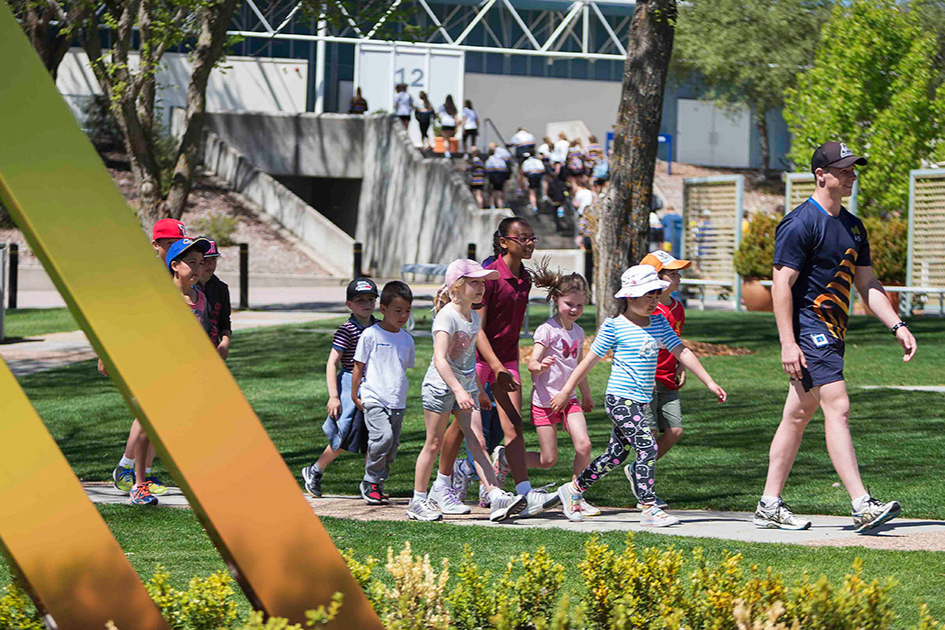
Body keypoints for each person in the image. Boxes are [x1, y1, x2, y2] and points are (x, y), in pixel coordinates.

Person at [754, 141, 915, 533]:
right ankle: (862, 504)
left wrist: (897, 324)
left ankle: (769, 504)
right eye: (843, 170)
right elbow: (781, 286)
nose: (851, 175)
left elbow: (867, 283)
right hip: (810, 330)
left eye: (853, 169)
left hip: (833, 332)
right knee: (837, 406)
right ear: (820, 175)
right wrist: (788, 342)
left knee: (796, 415)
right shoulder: (799, 223)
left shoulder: (853, 226)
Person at [554, 265, 727, 524]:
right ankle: (648, 507)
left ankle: (574, 490)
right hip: (620, 399)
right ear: (629, 297)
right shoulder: (614, 326)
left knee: (616, 455)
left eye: (656, 296)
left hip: (641, 401)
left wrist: (710, 383)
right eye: (648, 296)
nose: (653, 302)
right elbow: (588, 362)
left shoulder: (658, 322)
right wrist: (567, 391)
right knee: (647, 447)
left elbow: (683, 352)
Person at [441, 217, 559, 517]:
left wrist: (506, 365)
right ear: (504, 242)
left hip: (506, 361)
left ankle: (523, 492)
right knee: (463, 427)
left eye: (532, 237)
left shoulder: (525, 279)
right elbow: (477, 327)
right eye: (522, 238)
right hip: (477, 361)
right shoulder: (490, 277)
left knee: (514, 428)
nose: (529, 243)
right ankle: (444, 483)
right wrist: (495, 366)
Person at [407, 259, 528, 523]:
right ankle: (417, 500)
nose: (481, 287)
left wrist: (477, 391)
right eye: (474, 282)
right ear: (457, 287)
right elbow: (440, 359)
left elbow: (466, 360)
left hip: (465, 387)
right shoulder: (446, 316)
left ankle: (496, 496)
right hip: (440, 388)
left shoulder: (473, 316)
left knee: (475, 441)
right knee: (434, 443)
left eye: (483, 282)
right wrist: (459, 392)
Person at [129, 237, 213, 506]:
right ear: (174, 265)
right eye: (191, 263)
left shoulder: (201, 299)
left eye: (201, 263)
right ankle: (138, 485)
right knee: (146, 428)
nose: (198, 268)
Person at [111, 218, 188, 497]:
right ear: (155, 244)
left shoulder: (178, 273)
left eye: (179, 244)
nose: (175, 248)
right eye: (169, 244)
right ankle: (128, 468)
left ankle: (134, 468)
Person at [526, 263, 598, 518]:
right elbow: (531, 364)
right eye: (570, 304)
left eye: (580, 305)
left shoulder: (578, 332)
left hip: (570, 400)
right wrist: (540, 365)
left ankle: (576, 494)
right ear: (556, 299)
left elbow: (579, 367)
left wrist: (586, 394)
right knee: (548, 460)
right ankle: (504, 460)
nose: (575, 310)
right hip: (545, 402)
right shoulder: (547, 330)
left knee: (584, 445)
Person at [622, 250, 691, 508]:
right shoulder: (646, 311)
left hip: (668, 380)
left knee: (674, 431)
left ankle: (635, 469)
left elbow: (676, 343)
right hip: (644, 383)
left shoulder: (677, 307)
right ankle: (645, 493)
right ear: (656, 278)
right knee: (648, 436)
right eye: (672, 273)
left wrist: (681, 364)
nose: (678, 277)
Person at [301, 278, 377, 498]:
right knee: (346, 435)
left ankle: (371, 482)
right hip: (349, 385)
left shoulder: (379, 326)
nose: (367, 304)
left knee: (375, 436)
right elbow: (331, 362)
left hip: (374, 385)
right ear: (349, 305)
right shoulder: (346, 330)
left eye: (371, 299)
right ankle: (314, 470)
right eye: (360, 300)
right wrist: (334, 396)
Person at [352, 281, 415, 505]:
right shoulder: (370, 335)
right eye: (398, 311)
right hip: (373, 397)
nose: (403, 315)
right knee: (383, 438)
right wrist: (354, 394)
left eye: (407, 311)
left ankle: (378, 483)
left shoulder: (407, 339)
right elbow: (358, 366)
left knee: (391, 448)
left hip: (397, 401)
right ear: (384, 309)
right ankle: (369, 481)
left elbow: (402, 368)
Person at [195, 237, 231, 359]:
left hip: (213, 350)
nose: (210, 264)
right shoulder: (187, 287)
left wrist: (225, 342)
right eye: (205, 260)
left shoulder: (221, 288)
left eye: (214, 259)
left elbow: (225, 321)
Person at [572, 176, 596, 248]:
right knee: (588, 230)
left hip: (581, 213)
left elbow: (576, 204)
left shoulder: (579, 192)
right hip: (590, 213)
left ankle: (579, 245)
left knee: (580, 231)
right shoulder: (591, 193)